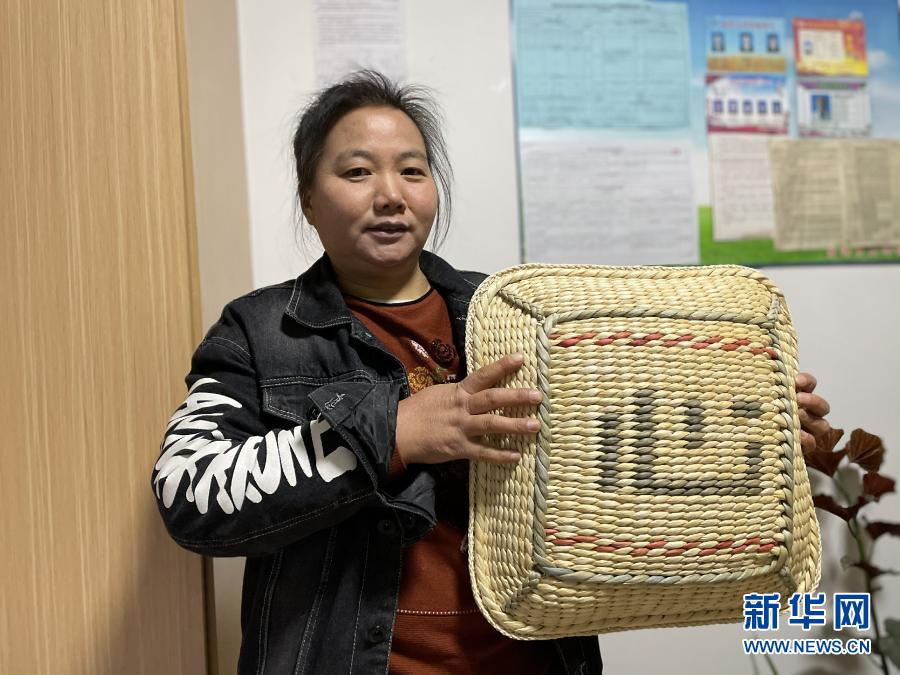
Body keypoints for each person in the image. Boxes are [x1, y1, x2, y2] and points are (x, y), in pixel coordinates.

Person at [151, 71, 832, 674]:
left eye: (412, 171)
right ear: (308, 197)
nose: (390, 195)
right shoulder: (261, 331)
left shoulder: (515, 314)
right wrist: (391, 434)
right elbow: (189, 496)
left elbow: (619, 443)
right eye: (357, 172)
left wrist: (749, 432)